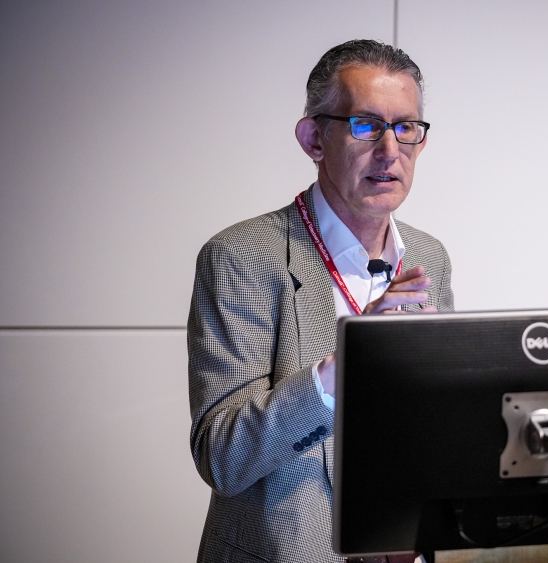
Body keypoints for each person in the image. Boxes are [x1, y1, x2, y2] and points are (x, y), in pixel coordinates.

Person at [187, 40, 453, 563]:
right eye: (365, 125)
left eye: (406, 128)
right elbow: (223, 457)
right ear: (313, 138)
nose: (390, 149)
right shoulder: (241, 258)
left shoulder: (429, 257)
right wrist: (344, 364)